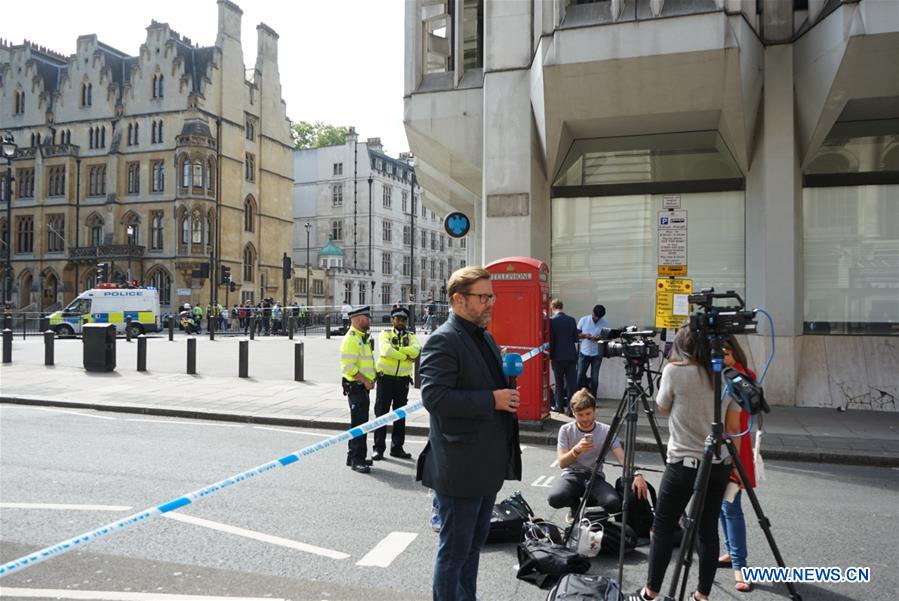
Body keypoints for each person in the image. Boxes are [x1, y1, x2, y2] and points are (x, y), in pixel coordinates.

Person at [417, 266, 522, 601]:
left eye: (492, 296)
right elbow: (435, 398)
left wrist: (504, 394)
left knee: (473, 546)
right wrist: (492, 399)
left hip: (485, 465)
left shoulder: (484, 336)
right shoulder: (443, 340)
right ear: (458, 299)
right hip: (460, 468)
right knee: (454, 552)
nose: (490, 303)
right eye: (483, 297)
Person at [630, 324, 742, 601]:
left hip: (683, 463)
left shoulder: (674, 371)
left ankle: (651, 591)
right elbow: (733, 427)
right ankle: (702, 595)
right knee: (707, 530)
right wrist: (735, 466)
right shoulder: (728, 375)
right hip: (718, 464)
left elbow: (662, 406)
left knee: (663, 526)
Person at [549, 387, 648, 521]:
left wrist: (637, 473)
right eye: (580, 415)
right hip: (571, 476)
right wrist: (576, 450)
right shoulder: (566, 430)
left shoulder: (606, 430)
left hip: (595, 476)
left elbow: (621, 457)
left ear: (595, 411)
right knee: (555, 498)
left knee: (613, 503)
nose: (585, 419)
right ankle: (574, 505)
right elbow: (562, 463)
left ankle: (592, 503)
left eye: (588, 414)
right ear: (573, 413)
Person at [718, 336, 757, 593]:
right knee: (721, 507)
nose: (720, 358)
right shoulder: (716, 374)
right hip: (719, 448)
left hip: (734, 448)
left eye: (724, 353)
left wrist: (735, 463)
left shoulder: (741, 376)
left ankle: (740, 565)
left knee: (731, 507)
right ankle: (731, 552)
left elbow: (737, 423)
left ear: (733, 352)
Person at [373, 306, 420, 460]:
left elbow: (416, 351)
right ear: (392, 320)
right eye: (398, 319)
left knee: (400, 415)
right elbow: (386, 350)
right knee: (381, 414)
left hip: (403, 381)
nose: (400, 322)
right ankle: (378, 449)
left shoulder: (411, 336)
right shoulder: (385, 333)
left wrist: (397, 350)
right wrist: (405, 356)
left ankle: (397, 448)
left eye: (403, 319)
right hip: (385, 379)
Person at [339, 305, 377, 474]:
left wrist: (372, 378)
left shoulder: (361, 337)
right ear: (360, 319)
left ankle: (352, 456)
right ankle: (357, 459)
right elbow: (348, 367)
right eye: (367, 318)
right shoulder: (352, 339)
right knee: (360, 426)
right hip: (357, 387)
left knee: (359, 424)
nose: (369, 321)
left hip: (362, 387)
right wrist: (366, 380)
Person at [549, 298, 579, 414]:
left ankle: (559, 406)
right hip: (571, 355)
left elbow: (551, 340)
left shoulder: (552, 321)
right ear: (562, 307)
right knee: (572, 384)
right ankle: (571, 409)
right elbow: (575, 338)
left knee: (559, 383)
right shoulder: (571, 320)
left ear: (553, 307)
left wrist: (550, 354)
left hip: (557, 356)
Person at [576, 304, 609, 399]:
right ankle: (578, 397)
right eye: (595, 316)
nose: (596, 319)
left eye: (599, 317)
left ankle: (593, 398)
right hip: (584, 352)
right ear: (592, 312)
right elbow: (576, 334)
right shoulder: (584, 320)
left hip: (597, 354)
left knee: (595, 377)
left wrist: (599, 338)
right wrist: (585, 336)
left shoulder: (605, 323)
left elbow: (606, 337)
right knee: (580, 375)